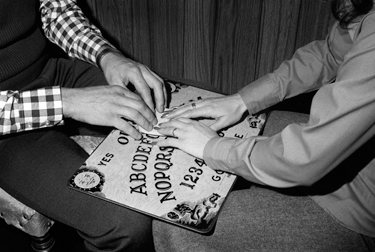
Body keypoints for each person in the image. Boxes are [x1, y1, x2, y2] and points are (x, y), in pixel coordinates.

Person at [154, 0, 375, 250]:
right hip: (339, 155)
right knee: (242, 131)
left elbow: (305, 159)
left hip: (360, 205)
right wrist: (242, 101)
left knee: (175, 225)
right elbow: (332, 53)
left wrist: (213, 147)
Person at [1, 0, 166, 251]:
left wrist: (106, 55)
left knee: (166, 115)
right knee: (123, 223)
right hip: (5, 127)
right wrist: (67, 102)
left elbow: (56, 11)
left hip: (48, 73)